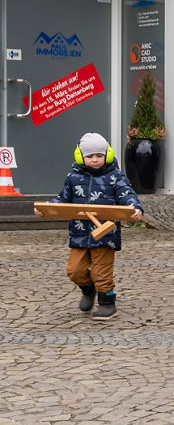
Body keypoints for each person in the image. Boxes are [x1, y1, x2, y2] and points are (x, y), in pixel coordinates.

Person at [36, 133, 143, 320]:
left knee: (101, 272)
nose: (95, 160)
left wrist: (135, 208)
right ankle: (88, 289)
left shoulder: (115, 177)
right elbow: (63, 199)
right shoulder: (73, 178)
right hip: (79, 233)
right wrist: (47, 208)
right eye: (90, 156)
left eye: (99, 156)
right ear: (80, 156)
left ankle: (108, 304)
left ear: (107, 155)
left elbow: (127, 194)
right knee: (74, 270)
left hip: (105, 234)